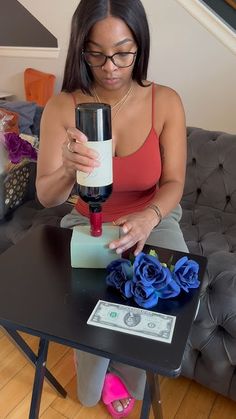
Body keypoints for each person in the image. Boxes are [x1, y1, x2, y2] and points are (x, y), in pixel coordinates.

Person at [36, 0, 188, 416]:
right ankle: (92, 373)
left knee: (160, 295)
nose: (111, 67)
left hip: (153, 215)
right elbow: (47, 197)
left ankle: (127, 371)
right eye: (96, 53)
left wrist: (149, 217)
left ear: (140, 44)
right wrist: (67, 168)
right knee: (88, 297)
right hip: (88, 217)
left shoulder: (167, 102)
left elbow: (174, 183)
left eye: (123, 51)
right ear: (80, 49)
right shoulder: (62, 106)